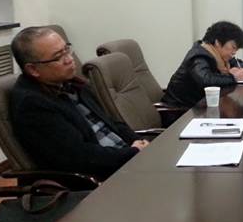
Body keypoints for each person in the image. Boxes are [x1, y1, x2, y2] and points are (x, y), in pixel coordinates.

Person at [9, 26, 148, 179]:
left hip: (125, 160)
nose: (69, 59)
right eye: (58, 57)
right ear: (33, 69)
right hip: (103, 177)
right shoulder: (33, 105)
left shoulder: (73, 84)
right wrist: (132, 153)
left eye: (67, 50)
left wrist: (138, 142)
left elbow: (112, 123)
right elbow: (81, 157)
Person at [162, 21, 243, 108]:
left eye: (236, 49)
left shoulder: (221, 57)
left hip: (199, 107)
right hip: (179, 110)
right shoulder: (199, 56)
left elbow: (242, 64)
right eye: (233, 47)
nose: (234, 52)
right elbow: (206, 80)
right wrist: (233, 77)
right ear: (217, 42)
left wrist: (239, 71)